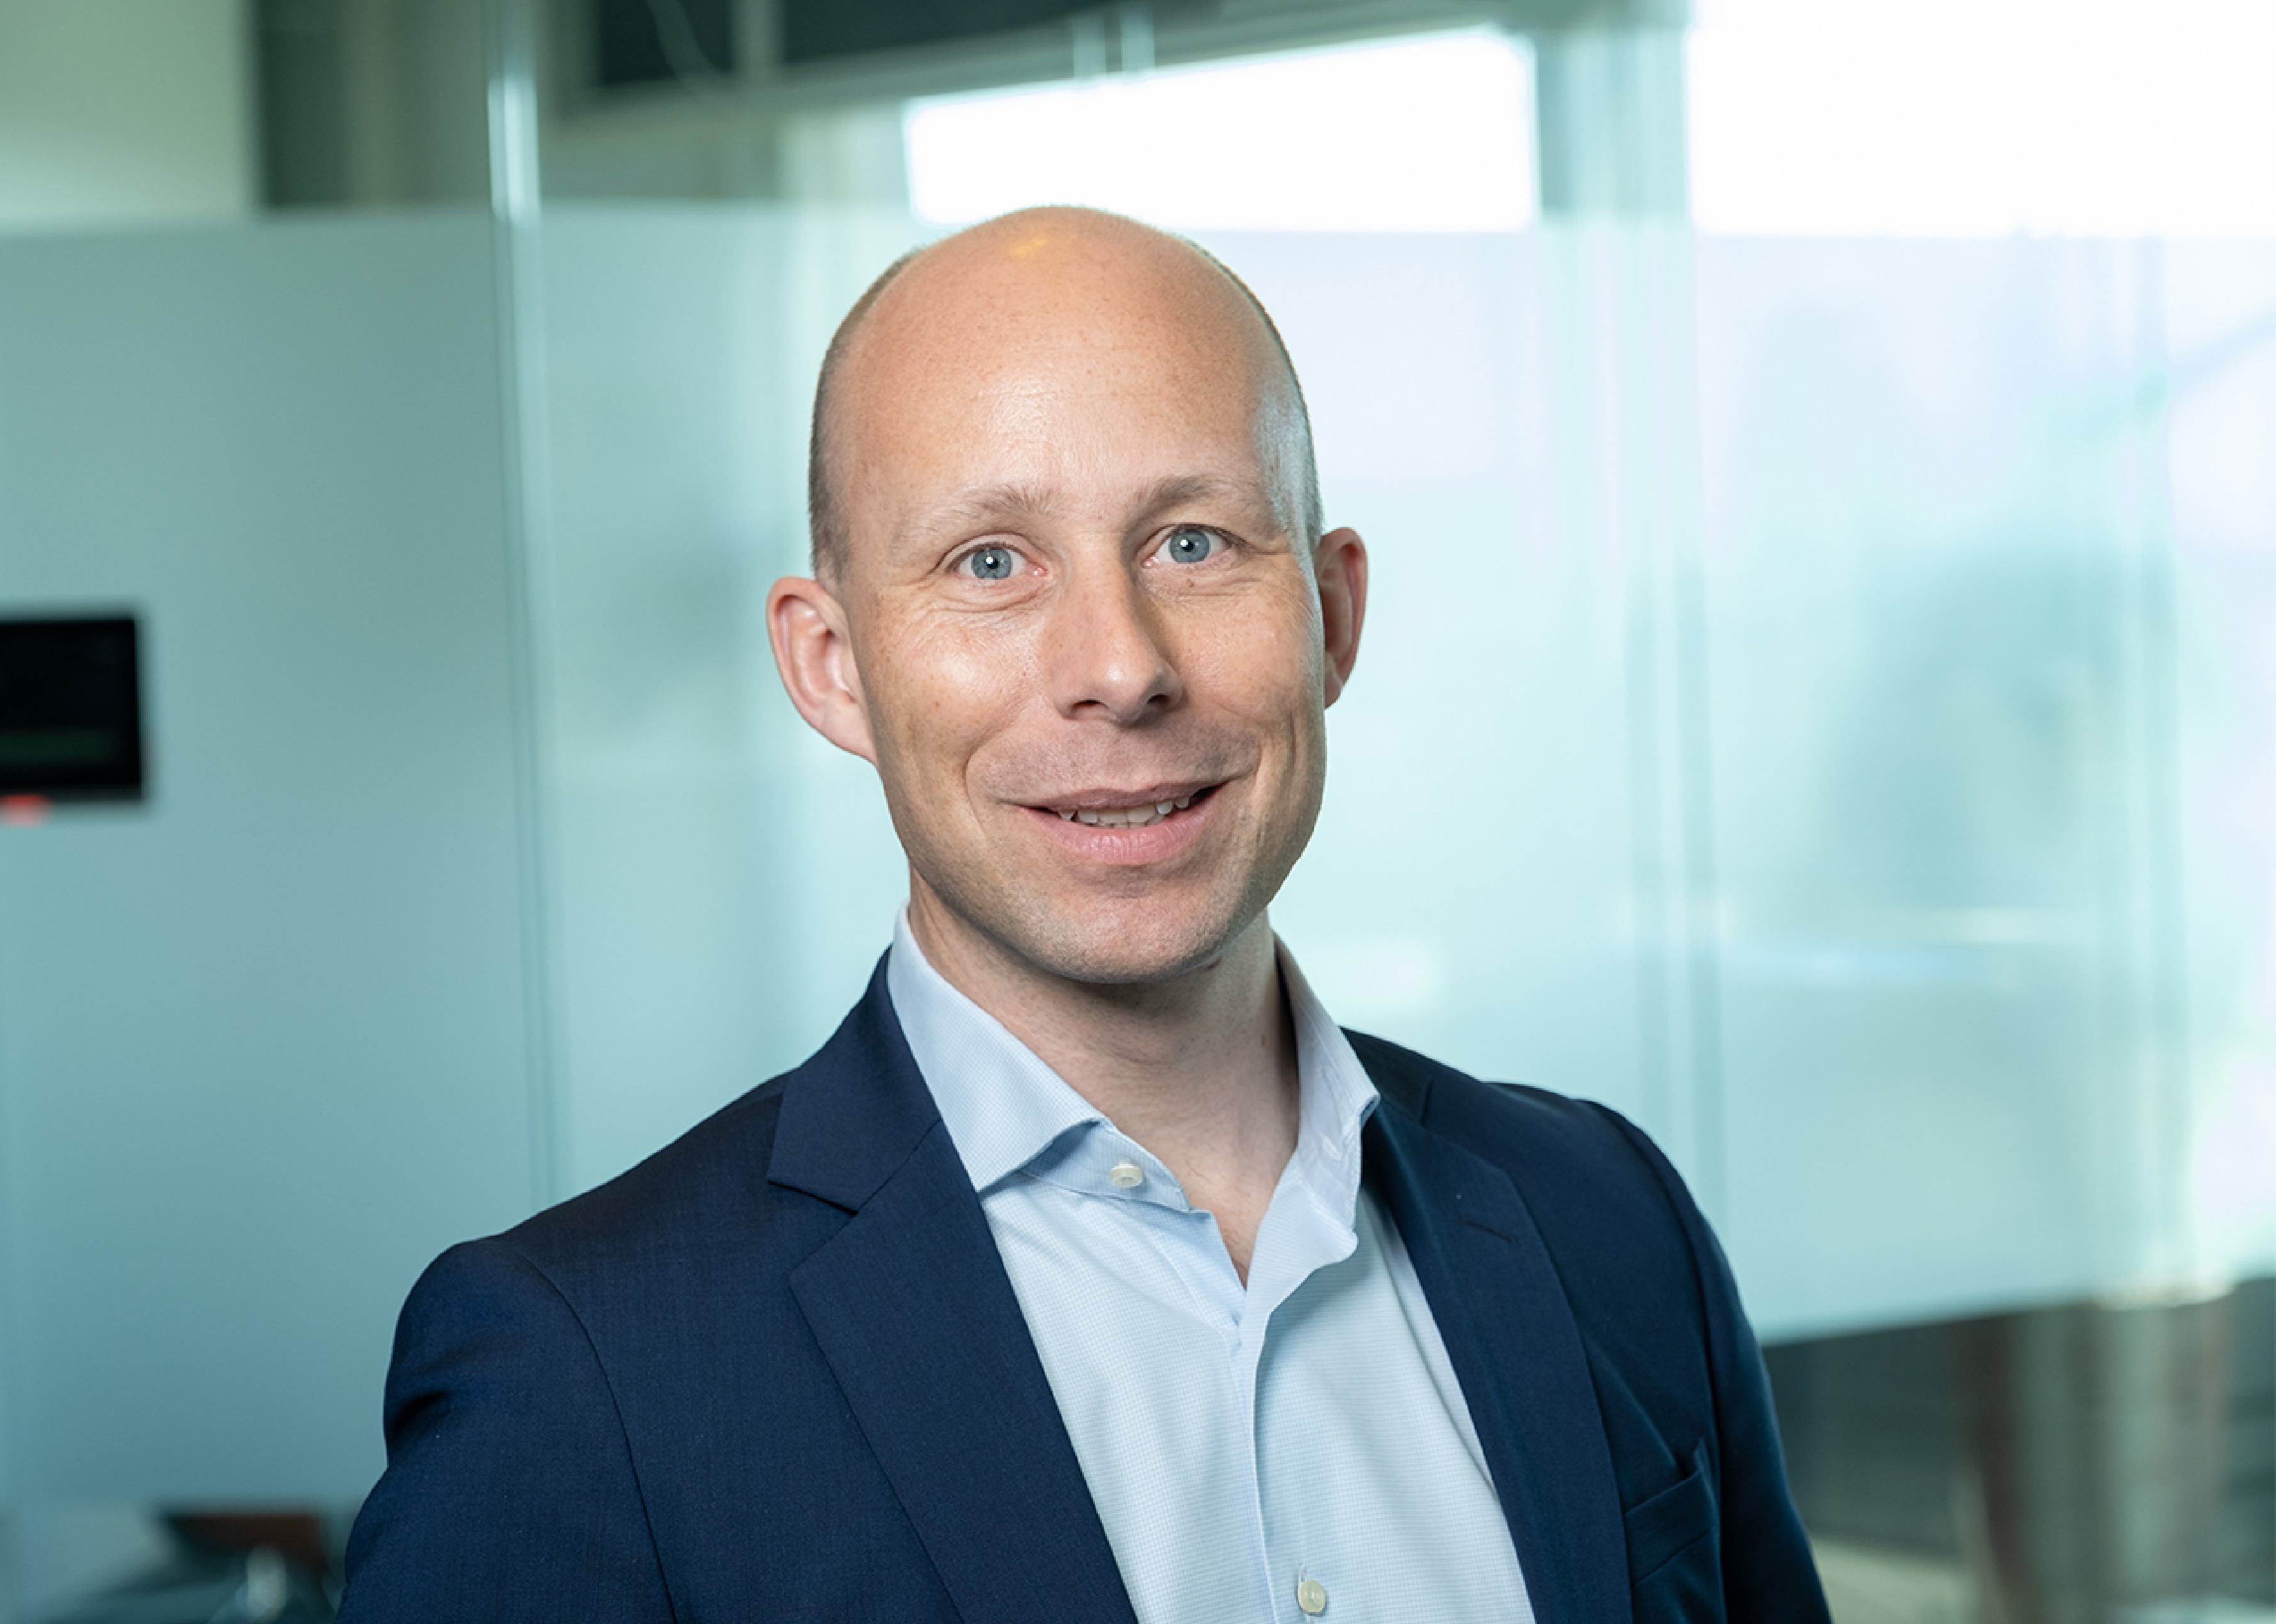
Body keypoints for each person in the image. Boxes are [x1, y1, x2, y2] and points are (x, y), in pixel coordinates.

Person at [337, 207, 1829, 1623]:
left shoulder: (1610, 1219)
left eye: (1194, 541)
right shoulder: (582, 1375)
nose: (1121, 667)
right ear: (833, 665)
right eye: (991, 562)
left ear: (1333, 613)